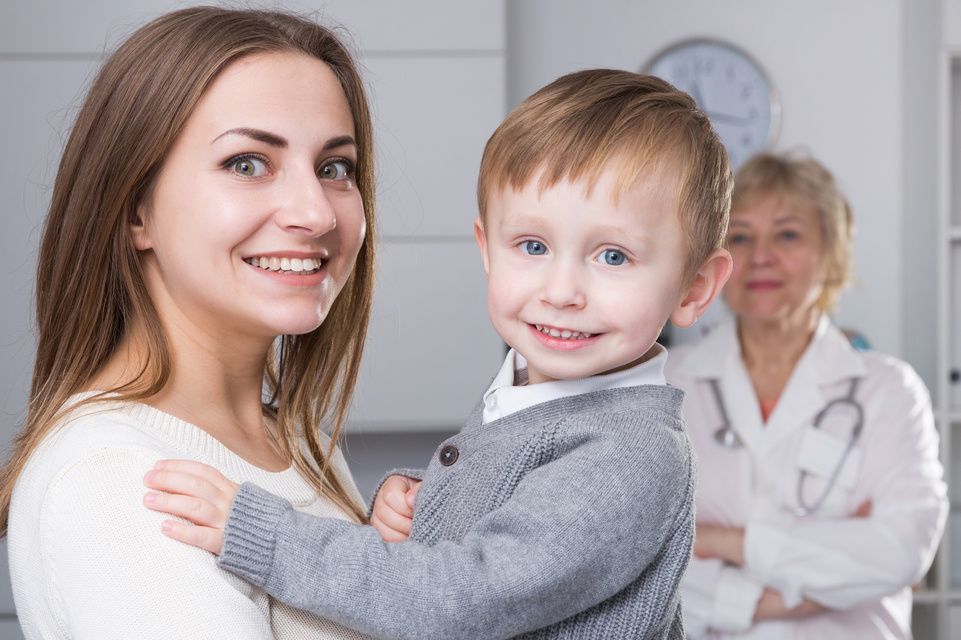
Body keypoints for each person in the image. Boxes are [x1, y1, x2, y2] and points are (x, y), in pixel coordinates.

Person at [143, 69, 734, 639]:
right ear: (486, 247)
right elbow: (524, 518)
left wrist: (262, 536)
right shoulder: (536, 395)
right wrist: (427, 499)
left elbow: (462, 598)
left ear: (695, 288)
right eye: (532, 245)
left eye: (613, 257)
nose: (561, 292)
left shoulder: (629, 455)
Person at [2, 7, 380, 638]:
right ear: (134, 209)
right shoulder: (120, 478)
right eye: (247, 164)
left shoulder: (298, 445)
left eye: (334, 168)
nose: (315, 213)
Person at [664, 151, 948, 638]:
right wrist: (805, 580)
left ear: (832, 253)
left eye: (788, 234)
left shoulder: (887, 391)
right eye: (740, 237)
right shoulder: (668, 387)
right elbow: (640, 558)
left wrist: (723, 540)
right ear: (716, 262)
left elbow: (900, 551)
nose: (761, 257)